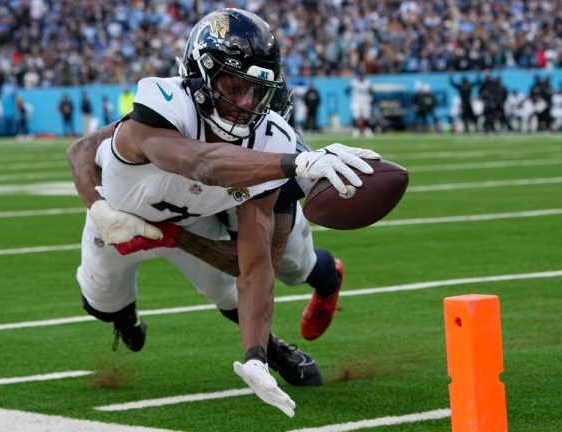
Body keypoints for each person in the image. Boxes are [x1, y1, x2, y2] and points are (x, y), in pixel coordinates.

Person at [65, 9, 378, 417]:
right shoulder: (163, 105)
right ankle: (124, 317)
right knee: (101, 302)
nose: (245, 104)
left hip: (192, 222)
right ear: (200, 75)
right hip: (121, 220)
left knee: (259, 274)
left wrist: (255, 355)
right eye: (234, 85)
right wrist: (100, 208)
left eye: (257, 91)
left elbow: (251, 266)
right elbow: (201, 163)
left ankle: (277, 344)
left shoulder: (272, 139)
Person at [347, 71, 374, 137]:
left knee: (366, 116)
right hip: (356, 101)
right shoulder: (354, 82)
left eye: (362, 75)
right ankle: (356, 130)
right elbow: (347, 90)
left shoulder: (367, 82)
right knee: (356, 116)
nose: (361, 77)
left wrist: (370, 96)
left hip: (365, 101)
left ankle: (367, 129)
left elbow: (372, 91)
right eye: (360, 75)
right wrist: (350, 89)